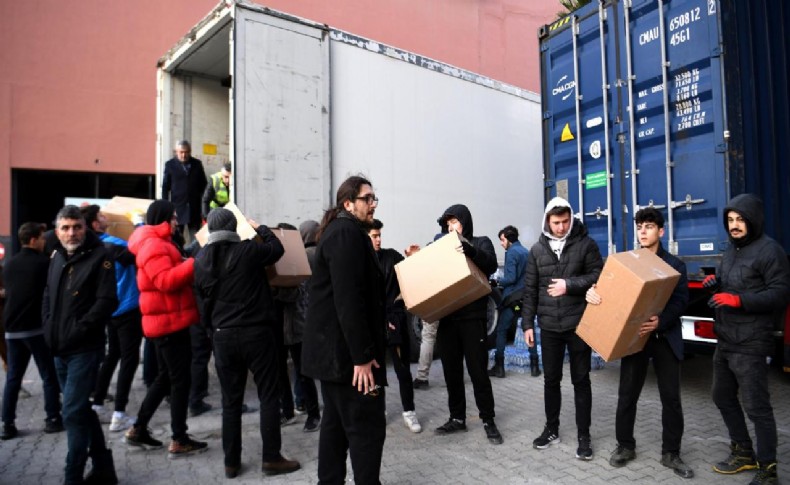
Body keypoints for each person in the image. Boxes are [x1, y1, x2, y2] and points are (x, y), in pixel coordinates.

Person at [585, 208, 693, 478]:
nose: (643, 232)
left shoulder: (675, 265)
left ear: (661, 231)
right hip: (636, 338)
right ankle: (625, 446)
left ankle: (671, 453)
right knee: (627, 394)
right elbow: (610, 292)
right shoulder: (629, 263)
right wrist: (593, 293)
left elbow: (681, 302)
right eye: (639, 227)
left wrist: (662, 320)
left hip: (664, 337)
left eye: (648, 226)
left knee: (671, 397)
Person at [194, 208, 301, 479]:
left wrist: (213, 331)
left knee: (231, 402)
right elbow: (277, 249)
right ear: (234, 228)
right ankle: (272, 459)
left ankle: (231, 463)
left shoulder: (200, 258)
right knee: (268, 395)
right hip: (257, 334)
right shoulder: (247, 251)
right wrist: (259, 228)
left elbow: (202, 304)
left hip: (222, 336)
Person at [301, 175, 388, 484]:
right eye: (368, 198)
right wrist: (362, 357)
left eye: (375, 198)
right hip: (348, 361)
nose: (373, 203)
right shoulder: (346, 235)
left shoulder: (343, 231)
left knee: (335, 427)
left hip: (337, 359)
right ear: (348, 203)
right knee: (367, 429)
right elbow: (349, 300)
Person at [706, 194, 790, 485]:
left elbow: (780, 293)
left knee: (757, 407)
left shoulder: (770, 251)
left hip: (752, 341)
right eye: (730, 220)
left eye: (740, 219)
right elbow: (731, 283)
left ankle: (768, 469)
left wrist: (739, 300)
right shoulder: (731, 251)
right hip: (727, 340)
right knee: (721, 395)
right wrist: (715, 283)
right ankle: (743, 452)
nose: (734, 225)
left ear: (752, 219)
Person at [124, 200, 208, 458]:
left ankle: (138, 429)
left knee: (164, 378)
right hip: (168, 324)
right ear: (161, 219)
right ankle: (179, 438)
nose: (176, 222)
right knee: (179, 381)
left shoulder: (158, 243)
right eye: (172, 218)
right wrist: (193, 263)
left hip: (168, 321)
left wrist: (186, 258)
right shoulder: (154, 245)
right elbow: (165, 281)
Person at [521, 196, 602, 460]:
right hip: (548, 326)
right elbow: (530, 290)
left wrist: (569, 285)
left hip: (578, 324)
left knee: (581, 380)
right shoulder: (536, 250)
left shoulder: (585, 244)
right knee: (550, 380)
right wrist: (527, 325)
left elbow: (598, 275)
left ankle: (584, 436)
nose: (561, 227)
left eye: (565, 221)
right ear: (547, 220)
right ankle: (552, 429)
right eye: (556, 222)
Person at [415, 204, 503, 445]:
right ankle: (457, 418)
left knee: (478, 372)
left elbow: (491, 264)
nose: (451, 226)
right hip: (448, 319)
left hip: (473, 319)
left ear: (465, 222)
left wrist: (470, 249)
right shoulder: (441, 246)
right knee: (451, 373)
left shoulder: (481, 241)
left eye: (455, 222)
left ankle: (488, 420)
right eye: (448, 223)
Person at [43, 206, 119, 484]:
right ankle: (103, 468)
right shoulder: (56, 256)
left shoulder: (102, 256)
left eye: (76, 227)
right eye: (65, 228)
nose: (71, 233)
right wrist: (48, 326)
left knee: (72, 413)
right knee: (81, 410)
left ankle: (72, 476)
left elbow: (107, 301)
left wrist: (79, 329)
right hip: (58, 348)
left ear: (85, 228)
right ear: (57, 231)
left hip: (85, 349)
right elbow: (49, 295)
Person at [80, 205, 143, 433]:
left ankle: (97, 404)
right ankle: (119, 413)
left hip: (108, 310)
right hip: (127, 307)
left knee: (112, 355)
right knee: (129, 358)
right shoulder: (112, 244)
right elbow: (139, 252)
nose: (105, 218)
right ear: (95, 224)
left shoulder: (89, 247)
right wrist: (139, 225)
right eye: (101, 216)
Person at [2, 222, 63, 441]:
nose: (45, 241)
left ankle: (6, 424)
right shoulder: (44, 264)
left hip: (12, 329)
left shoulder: (9, 264)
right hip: (35, 329)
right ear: (34, 240)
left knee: (13, 379)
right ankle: (52, 419)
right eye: (42, 237)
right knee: (48, 375)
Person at [368, 219, 422, 433]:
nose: (379, 239)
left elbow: (411, 271)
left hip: (394, 322)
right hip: (373, 325)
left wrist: (411, 257)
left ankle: (409, 412)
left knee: (403, 370)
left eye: (380, 235)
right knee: (376, 371)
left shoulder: (391, 256)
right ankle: (377, 411)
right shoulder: (360, 260)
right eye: (374, 236)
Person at [274, 222, 321, 433]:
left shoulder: (297, 260)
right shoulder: (277, 260)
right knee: (280, 372)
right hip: (279, 327)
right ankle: (287, 410)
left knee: (304, 372)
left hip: (297, 325)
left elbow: (297, 293)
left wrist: (274, 291)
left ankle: (313, 414)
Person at [489, 225, 537, 378]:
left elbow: (511, 278)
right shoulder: (526, 252)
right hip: (526, 298)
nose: (502, 244)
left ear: (509, 239)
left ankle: (499, 367)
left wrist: (496, 282)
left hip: (513, 299)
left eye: (502, 240)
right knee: (528, 330)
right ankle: (535, 367)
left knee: (502, 330)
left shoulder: (511, 253)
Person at [162, 140, 208, 243]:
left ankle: (196, 258)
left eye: (186, 152)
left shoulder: (197, 164)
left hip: (194, 209)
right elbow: (165, 187)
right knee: (177, 240)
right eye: (181, 152)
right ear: (176, 152)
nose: (184, 155)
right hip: (178, 209)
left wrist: (203, 208)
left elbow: (204, 187)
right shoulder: (170, 165)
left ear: (190, 151)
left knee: (196, 240)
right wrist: (166, 208)